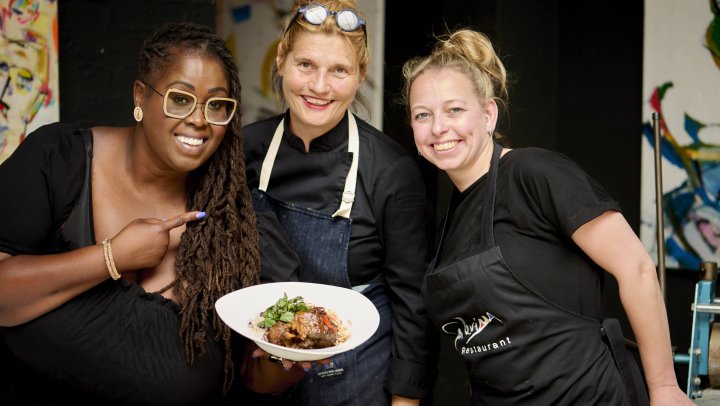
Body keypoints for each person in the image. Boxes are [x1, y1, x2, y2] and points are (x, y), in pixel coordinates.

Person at [0, 21, 307, 405]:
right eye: (180, 98)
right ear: (140, 96)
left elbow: (251, 376)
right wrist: (111, 257)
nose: (199, 119)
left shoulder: (238, 230)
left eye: (217, 105)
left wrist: (289, 359)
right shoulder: (57, 161)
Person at [401, 28, 694, 406]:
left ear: (488, 114)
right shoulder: (449, 225)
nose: (439, 128)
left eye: (455, 109)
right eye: (423, 115)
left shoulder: (534, 173)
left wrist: (665, 388)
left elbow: (636, 267)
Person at [242, 1, 435, 405]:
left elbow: (413, 302)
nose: (319, 86)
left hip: (356, 374)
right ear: (281, 60)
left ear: (360, 75)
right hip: (264, 367)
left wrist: (406, 400)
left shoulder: (390, 171)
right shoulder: (244, 151)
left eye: (339, 71)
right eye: (306, 65)